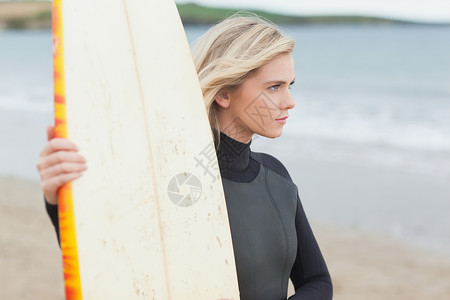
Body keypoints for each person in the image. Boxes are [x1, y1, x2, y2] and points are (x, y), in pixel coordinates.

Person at [37, 14, 332, 300]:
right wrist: (57, 197)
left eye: (289, 85)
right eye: (274, 87)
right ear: (224, 93)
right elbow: (106, 265)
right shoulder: (173, 180)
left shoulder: (277, 176)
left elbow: (317, 281)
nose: (289, 102)